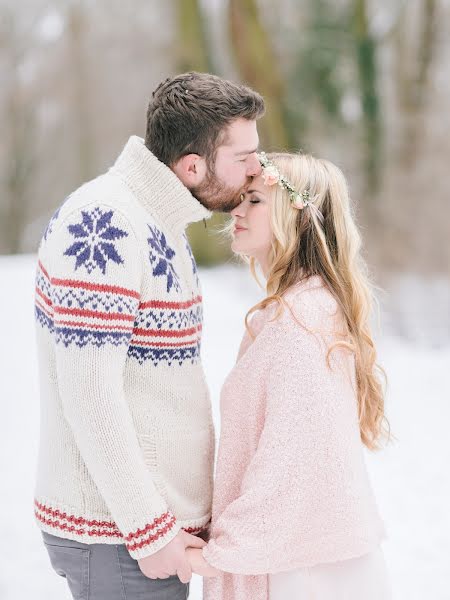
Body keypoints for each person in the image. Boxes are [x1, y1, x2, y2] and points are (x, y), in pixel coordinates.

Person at [34, 71, 264, 600]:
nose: (258, 169)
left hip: (141, 537)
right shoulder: (103, 221)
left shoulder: (157, 220)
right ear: (192, 165)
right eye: (244, 156)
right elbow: (90, 395)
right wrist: (149, 530)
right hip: (117, 537)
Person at [188, 152, 392, 599]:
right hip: (308, 557)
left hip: (301, 575)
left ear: (295, 217)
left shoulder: (299, 324)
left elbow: (292, 461)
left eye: (255, 200)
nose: (236, 211)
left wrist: (219, 552)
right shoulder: (303, 310)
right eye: (240, 199)